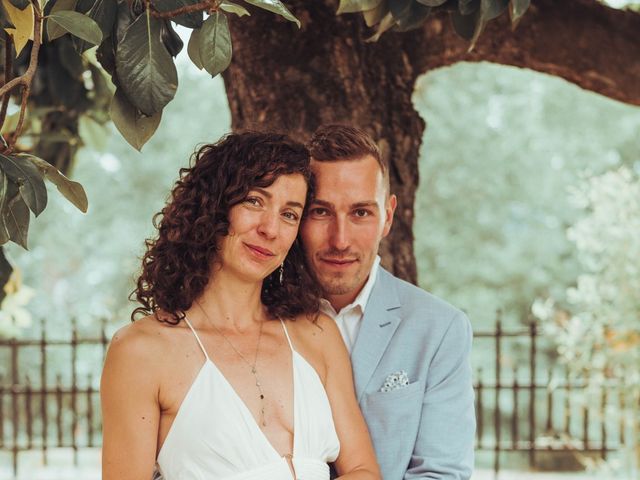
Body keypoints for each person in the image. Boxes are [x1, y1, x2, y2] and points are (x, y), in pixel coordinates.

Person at [100, 132, 381, 480]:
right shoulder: (141, 352)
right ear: (214, 206)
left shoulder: (317, 333)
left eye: (290, 214)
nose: (270, 229)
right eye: (254, 201)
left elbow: (363, 470)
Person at [301, 125, 476, 480]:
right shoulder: (256, 314)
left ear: (388, 216)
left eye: (361, 212)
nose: (340, 239)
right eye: (320, 211)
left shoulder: (439, 329)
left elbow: (441, 473)